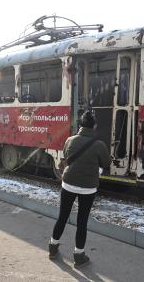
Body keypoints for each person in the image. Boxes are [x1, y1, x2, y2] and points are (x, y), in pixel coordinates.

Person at [49, 111, 111, 268]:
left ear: (81, 125)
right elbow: (106, 163)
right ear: (94, 126)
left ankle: (52, 248)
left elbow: (66, 155)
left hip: (68, 183)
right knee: (81, 222)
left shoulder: (70, 140)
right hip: (88, 187)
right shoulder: (99, 144)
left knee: (62, 217)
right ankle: (78, 256)